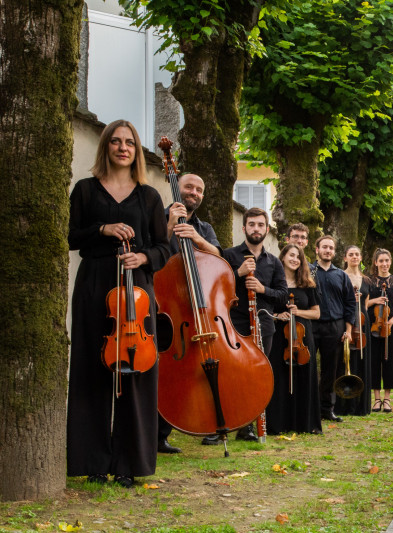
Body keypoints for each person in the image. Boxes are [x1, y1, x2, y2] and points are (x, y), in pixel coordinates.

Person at [67, 119, 171, 487]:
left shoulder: (149, 196)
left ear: (137, 150)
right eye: (116, 141)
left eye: (130, 142)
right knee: (92, 370)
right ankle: (92, 461)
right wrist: (102, 229)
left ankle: (129, 464)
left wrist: (143, 259)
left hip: (137, 292)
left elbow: (165, 246)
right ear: (106, 147)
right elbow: (70, 236)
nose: (123, 147)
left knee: (136, 375)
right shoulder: (85, 190)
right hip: (95, 285)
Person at [158, 172, 221, 454]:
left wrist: (196, 238)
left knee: (189, 370)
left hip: (197, 308)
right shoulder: (158, 217)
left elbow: (219, 258)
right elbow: (151, 248)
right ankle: (154, 432)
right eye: (188, 187)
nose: (193, 192)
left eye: (198, 189)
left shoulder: (204, 227)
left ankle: (173, 428)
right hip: (165, 306)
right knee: (162, 371)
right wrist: (170, 228)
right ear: (177, 188)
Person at [220, 207, 288, 443]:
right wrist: (238, 273)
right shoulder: (229, 256)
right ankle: (225, 424)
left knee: (255, 376)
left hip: (264, 325)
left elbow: (282, 295)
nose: (256, 229)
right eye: (252, 225)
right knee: (233, 374)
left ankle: (247, 426)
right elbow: (217, 288)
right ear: (244, 228)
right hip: (234, 324)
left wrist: (262, 290)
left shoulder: (274, 262)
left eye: (260, 225)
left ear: (267, 230)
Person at [267, 243, 322, 434]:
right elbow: (267, 310)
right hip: (280, 336)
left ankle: (304, 423)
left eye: (298, 257)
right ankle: (278, 424)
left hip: (302, 337)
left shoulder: (308, 284)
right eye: (291, 255)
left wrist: (298, 311)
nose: (295, 259)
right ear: (282, 257)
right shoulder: (274, 283)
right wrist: (277, 316)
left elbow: (316, 314)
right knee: (279, 377)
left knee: (304, 378)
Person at [311, 235, 357, 422]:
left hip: (335, 326)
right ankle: (310, 408)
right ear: (317, 250)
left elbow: (350, 304)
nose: (328, 250)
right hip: (312, 325)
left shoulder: (341, 275)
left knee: (331, 370)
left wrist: (348, 330)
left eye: (331, 248)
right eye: (324, 247)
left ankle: (327, 409)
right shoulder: (308, 271)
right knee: (309, 367)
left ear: (334, 252)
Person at [336, 245, 374, 416]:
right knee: (346, 361)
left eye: (357, 254)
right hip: (346, 320)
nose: (354, 257)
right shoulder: (340, 276)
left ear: (360, 258)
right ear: (345, 258)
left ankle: (360, 405)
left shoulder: (366, 280)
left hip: (362, 322)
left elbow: (365, 305)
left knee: (362, 361)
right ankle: (344, 404)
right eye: (350, 254)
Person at [367, 248, 393, 413]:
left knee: (389, 360)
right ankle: (376, 399)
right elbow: (365, 304)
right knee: (374, 360)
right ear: (376, 263)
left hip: (389, 326)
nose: (384, 264)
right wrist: (376, 300)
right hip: (373, 324)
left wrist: (392, 321)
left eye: (386, 261)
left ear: (390, 262)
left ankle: (387, 399)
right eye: (381, 261)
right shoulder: (369, 280)